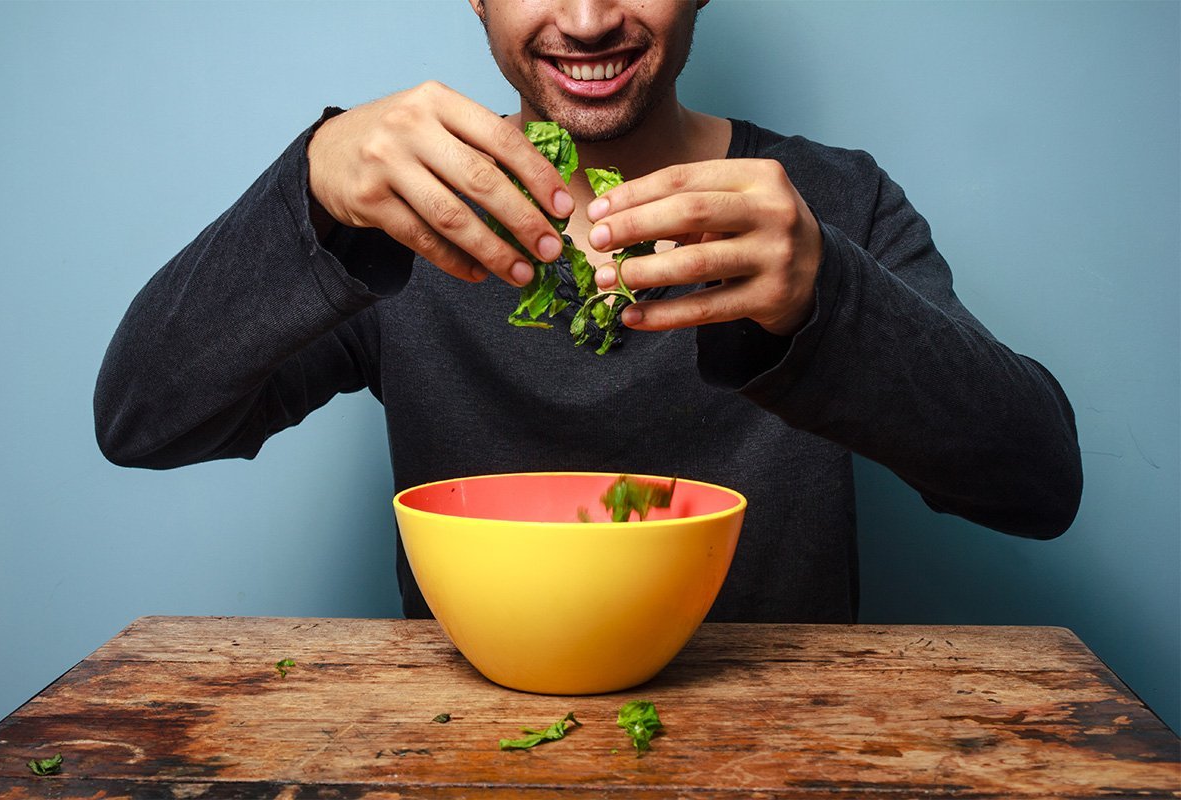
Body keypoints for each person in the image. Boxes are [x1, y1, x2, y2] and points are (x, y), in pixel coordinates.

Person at [94, 0, 1082, 623]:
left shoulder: (830, 201)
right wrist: (307, 191)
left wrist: (827, 295)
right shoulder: (398, 214)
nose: (587, 17)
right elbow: (143, 419)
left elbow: (1037, 482)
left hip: (781, 750)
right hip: (467, 747)